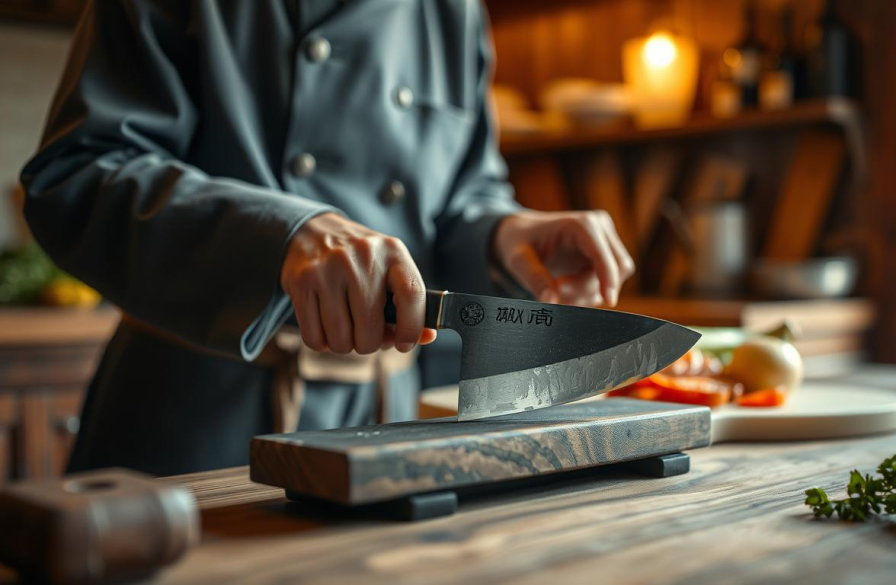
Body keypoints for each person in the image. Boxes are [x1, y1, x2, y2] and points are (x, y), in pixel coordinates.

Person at [20, 1, 634, 477]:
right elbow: (76, 175)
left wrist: (503, 233)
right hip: (194, 427)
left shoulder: (452, 11)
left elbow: (458, 198)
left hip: (383, 428)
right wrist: (280, 237)